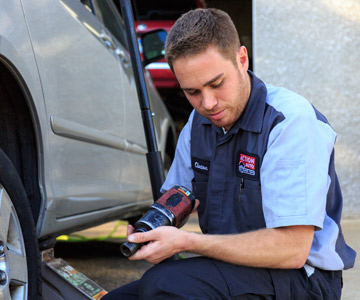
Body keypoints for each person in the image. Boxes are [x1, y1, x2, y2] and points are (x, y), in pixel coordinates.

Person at [103, 8, 356, 300]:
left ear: (242, 59)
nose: (207, 103)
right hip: (235, 268)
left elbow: (291, 250)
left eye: (216, 84)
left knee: (165, 285)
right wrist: (154, 225)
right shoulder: (198, 127)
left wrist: (185, 242)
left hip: (304, 280)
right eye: (192, 91)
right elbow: (181, 196)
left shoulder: (290, 124)